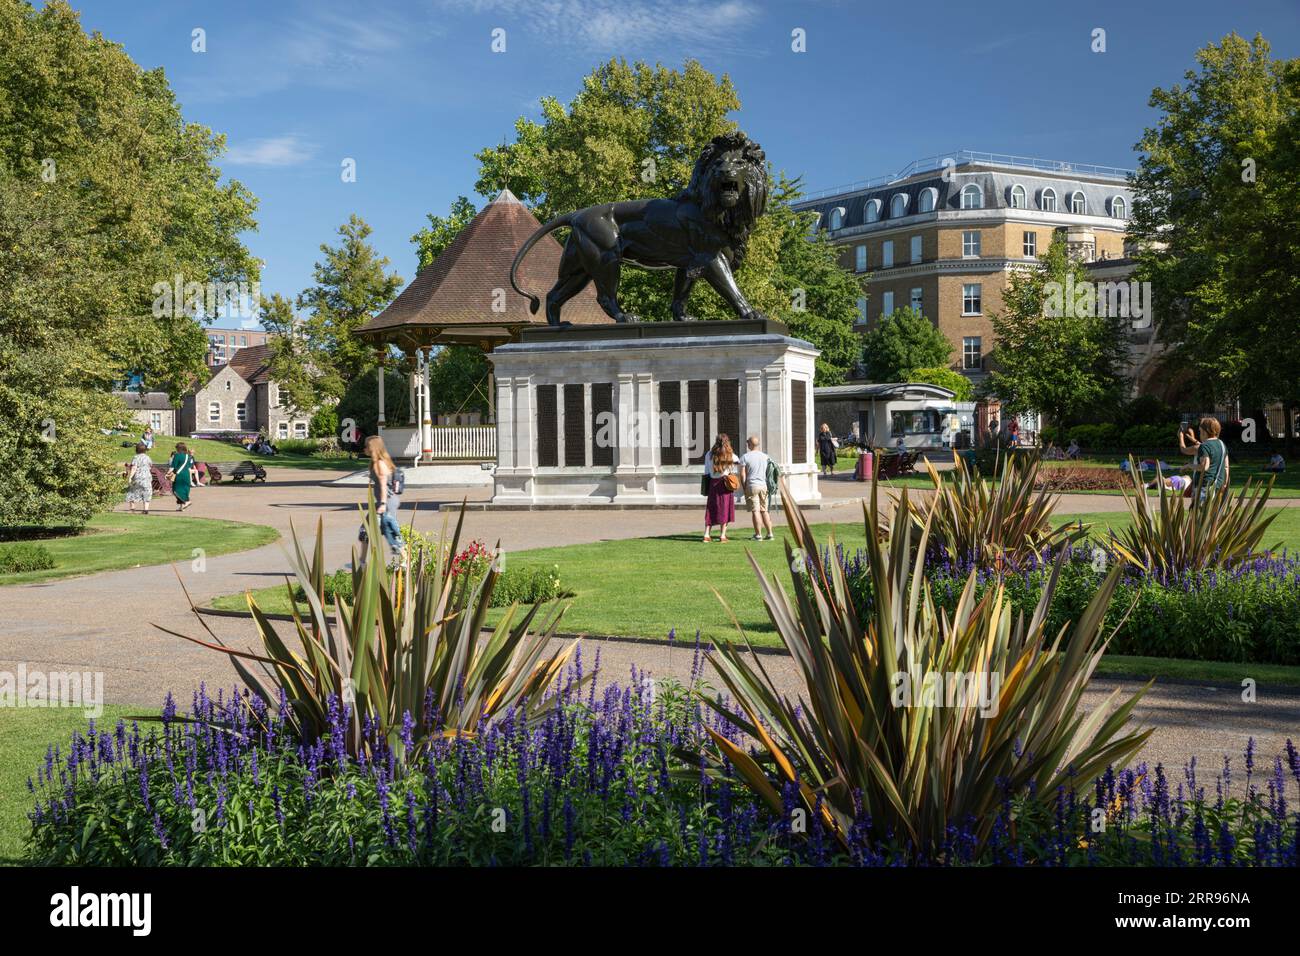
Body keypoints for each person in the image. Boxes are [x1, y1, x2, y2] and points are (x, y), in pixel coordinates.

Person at [363, 435, 406, 561]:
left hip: (386, 502)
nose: (364, 449)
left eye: (366, 446)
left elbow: (382, 485)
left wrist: (382, 504)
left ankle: (406, 560)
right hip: (385, 501)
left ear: (373, 448)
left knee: (390, 531)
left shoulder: (379, 464)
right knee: (365, 529)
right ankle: (362, 561)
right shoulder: (378, 463)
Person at [1178, 418, 1229, 501]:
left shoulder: (1204, 446)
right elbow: (1226, 467)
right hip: (1219, 486)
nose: (1200, 433)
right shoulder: (1222, 444)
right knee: (1214, 513)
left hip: (1204, 486)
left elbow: (1204, 466)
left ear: (1205, 432)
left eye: (1200, 431)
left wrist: (1188, 466)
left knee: (1199, 512)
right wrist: (1225, 483)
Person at [739, 435, 775, 541]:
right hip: (763, 485)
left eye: (748, 443)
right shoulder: (765, 456)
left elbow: (742, 474)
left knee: (755, 510)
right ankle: (770, 533)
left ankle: (758, 534)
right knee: (764, 510)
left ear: (750, 444)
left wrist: (744, 486)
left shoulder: (745, 457)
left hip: (752, 485)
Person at [703, 433, 738, 543]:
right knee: (725, 508)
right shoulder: (730, 454)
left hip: (713, 484)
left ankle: (706, 535)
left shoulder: (709, 454)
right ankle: (722, 536)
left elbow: (706, 472)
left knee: (711, 508)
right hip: (725, 484)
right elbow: (738, 461)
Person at [125, 442, 153, 514]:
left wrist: (130, 477)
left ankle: (132, 508)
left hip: (138, 477)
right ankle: (146, 509)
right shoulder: (148, 457)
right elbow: (150, 466)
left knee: (132, 491)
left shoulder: (136, 457)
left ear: (137, 449)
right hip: (147, 477)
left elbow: (134, 468)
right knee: (147, 492)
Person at [166, 442, 195, 511]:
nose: (176, 449)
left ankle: (187, 501)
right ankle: (181, 507)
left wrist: (168, 473)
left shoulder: (177, 455)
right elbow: (190, 466)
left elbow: (173, 467)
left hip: (179, 475)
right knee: (185, 490)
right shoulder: (189, 456)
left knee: (176, 490)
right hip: (187, 475)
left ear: (179, 448)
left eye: (176, 448)